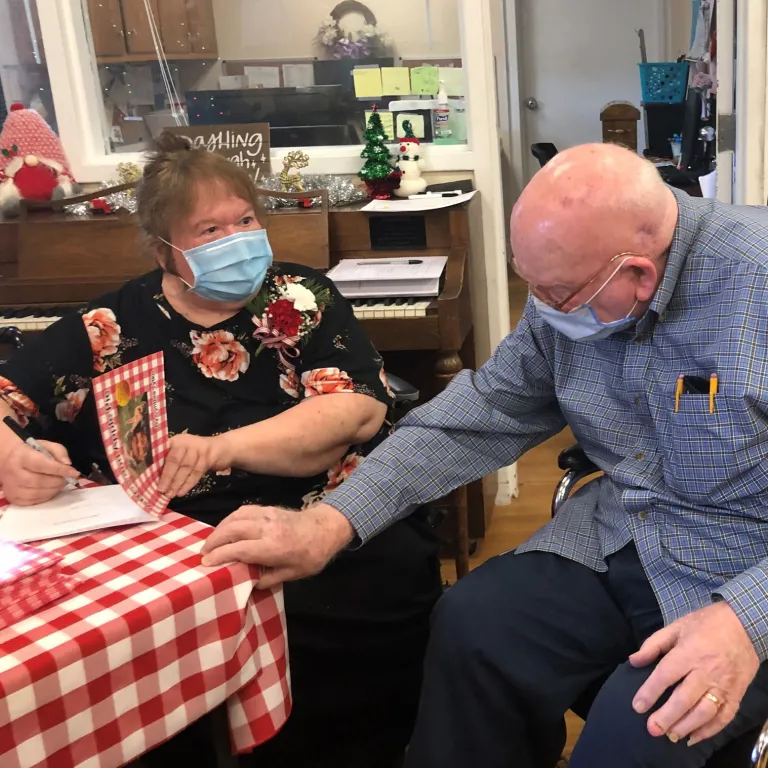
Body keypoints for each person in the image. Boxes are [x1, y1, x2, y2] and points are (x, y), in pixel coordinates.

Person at [200, 143, 768, 767]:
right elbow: (478, 416)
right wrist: (328, 522)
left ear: (639, 275)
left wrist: (747, 621)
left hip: (745, 567)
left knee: (639, 730)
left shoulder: (754, 280)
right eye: (534, 290)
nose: (543, 312)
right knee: (471, 627)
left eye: (557, 295)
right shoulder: (570, 294)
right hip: (625, 532)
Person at [0, 132, 442, 767]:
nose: (237, 239)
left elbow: (355, 408)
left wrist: (217, 449)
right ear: (164, 250)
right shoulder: (110, 325)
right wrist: (11, 457)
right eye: (209, 230)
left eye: (245, 220)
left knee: (370, 591)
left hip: (327, 513)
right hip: (188, 543)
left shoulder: (299, 297)